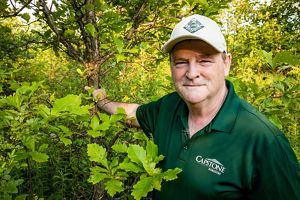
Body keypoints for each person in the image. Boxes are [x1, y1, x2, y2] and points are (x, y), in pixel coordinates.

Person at [92, 14, 300, 200]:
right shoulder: (169, 107)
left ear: (226, 63)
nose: (191, 73)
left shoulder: (264, 142)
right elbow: (132, 113)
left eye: (205, 60)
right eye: (181, 62)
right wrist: (102, 100)